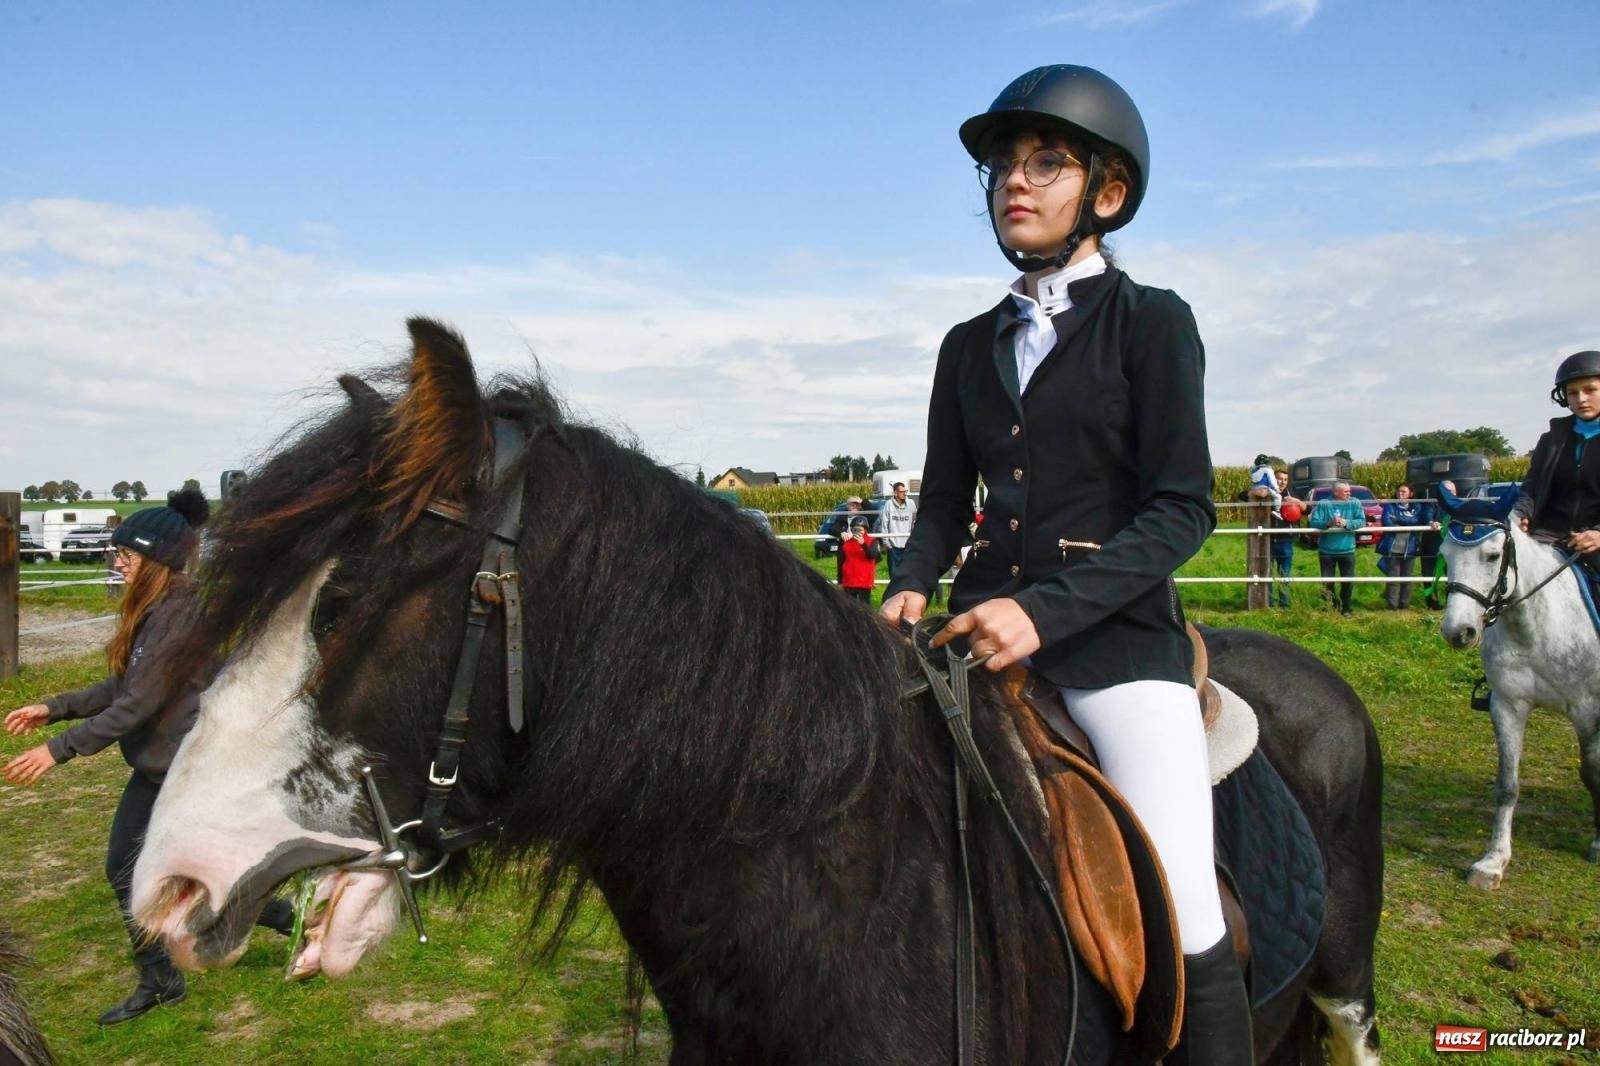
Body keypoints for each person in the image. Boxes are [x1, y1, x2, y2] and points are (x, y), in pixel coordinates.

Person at [879, 65, 1249, 1062]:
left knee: (1177, 890)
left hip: (1115, 648)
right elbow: (945, 500)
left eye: (1047, 162)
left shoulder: (1152, 322)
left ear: (1107, 193)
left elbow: (1181, 509)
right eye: (1004, 163)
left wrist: (1042, 615)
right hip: (971, 630)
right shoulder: (968, 345)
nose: (1015, 180)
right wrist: (909, 581)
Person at [2, 490, 294, 1026]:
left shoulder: (181, 613)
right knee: (129, 870)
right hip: (159, 769)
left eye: (125, 555)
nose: (116, 561)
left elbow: (141, 701)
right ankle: (162, 979)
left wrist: (58, 750)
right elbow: (125, 684)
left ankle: (273, 913)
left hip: (191, 771)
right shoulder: (156, 611)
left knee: (176, 870)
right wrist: (55, 707)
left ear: (156, 561)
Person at [1513, 350, 1600, 576]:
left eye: (1590, 390)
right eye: (1572, 392)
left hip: (1594, 540)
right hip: (1547, 536)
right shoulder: (1551, 439)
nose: (1580, 399)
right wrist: (1522, 514)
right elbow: (1531, 489)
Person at [1308, 481, 1366, 615]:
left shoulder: (1355, 503)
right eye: (1346, 491)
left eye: (1349, 491)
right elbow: (1314, 522)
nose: (1349, 493)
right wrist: (1328, 523)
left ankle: (1346, 608)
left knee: (1347, 582)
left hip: (1347, 550)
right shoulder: (1323, 504)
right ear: (1335, 492)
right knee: (1327, 582)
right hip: (1326, 551)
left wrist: (1347, 523)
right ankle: (1331, 607)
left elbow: (1361, 521)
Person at [1377, 484, 1434, 609]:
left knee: (1407, 578)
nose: (1400, 494)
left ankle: (1404, 605)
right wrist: (1406, 524)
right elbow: (1386, 522)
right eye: (1398, 491)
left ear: (1410, 494)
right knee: (1393, 578)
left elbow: (1418, 521)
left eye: (1403, 491)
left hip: (1411, 547)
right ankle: (1392, 606)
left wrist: (1397, 519)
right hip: (1393, 546)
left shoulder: (1417, 507)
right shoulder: (1390, 506)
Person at [1270, 469, 1302, 608]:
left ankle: (1284, 604)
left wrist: (1297, 501)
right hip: (1267, 541)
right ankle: (1268, 603)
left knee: (1285, 575)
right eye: (1279, 478)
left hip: (1285, 541)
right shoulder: (1267, 494)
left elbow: (1307, 509)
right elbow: (1243, 496)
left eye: (1285, 479)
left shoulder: (1291, 496)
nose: (1282, 482)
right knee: (1266, 575)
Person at [874, 481, 918, 579]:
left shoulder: (911, 504)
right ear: (895, 493)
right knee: (893, 575)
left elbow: (915, 522)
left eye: (905, 491)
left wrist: (913, 541)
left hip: (907, 545)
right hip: (893, 546)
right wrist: (887, 544)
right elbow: (884, 525)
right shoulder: (888, 505)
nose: (905, 493)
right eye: (902, 491)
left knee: (907, 574)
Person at [838, 515, 881, 603]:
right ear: (851, 529)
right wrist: (840, 581)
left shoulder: (872, 541)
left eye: (860, 530)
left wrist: (863, 545)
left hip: (864, 582)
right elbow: (840, 562)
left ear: (865, 530)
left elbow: (873, 555)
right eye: (855, 530)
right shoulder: (846, 542)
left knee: (864, 606)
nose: (858, 532)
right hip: (848, 581)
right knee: (848, 606)